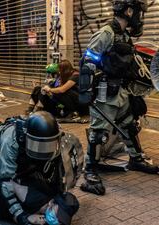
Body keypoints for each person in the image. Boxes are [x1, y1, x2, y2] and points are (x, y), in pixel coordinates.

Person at [78, 0, 158, 196]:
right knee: (98, 133)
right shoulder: (107, 33)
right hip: (106, 93)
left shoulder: (124, 34)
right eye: (138, 12)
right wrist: (86, 91)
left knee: (129, 125)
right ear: (129, 11)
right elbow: (88, 59)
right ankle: (89, 171)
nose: (140, 17)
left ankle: (136, 159)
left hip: (121, 91)